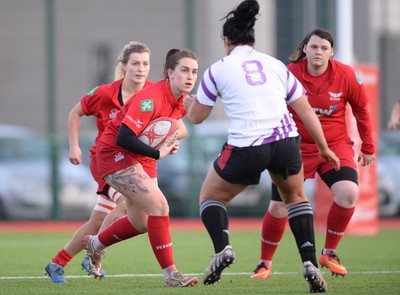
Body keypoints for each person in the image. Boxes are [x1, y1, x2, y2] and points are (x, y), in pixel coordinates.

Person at [184, 1, 339, 293]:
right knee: (295, 198)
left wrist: (189, 104)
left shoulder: (218, 69)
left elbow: (198, 118)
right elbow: (305, 110)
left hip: (247, 147)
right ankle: (309, 263)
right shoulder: (276, 65)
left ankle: (223, 249)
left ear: (227, 40)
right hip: (286, 142)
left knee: (210, 197)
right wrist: (324, 147)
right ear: (252, 39)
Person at [251, 28, 375, 280]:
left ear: (332, 53)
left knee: (348, 193)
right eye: (314, 47)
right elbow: (267, 107)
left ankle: (329, 252)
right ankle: (264, 263)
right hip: (294, 146)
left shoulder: (346, 75)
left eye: (324, 48)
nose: (318, 52)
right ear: (305, 49)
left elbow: (362, 110)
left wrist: (368, 146)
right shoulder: (289, 74)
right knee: (278, 207)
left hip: (335, 145)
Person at [82, 48, 199, 287]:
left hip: (141, 157)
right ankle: (171, 274)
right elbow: (123, 137)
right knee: (160, 206)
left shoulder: (181, 100)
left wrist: (168, 141)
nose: (190, 76)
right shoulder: (151, 98)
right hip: (115, 154)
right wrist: (158, 152)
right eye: (184, 70)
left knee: (141, 222)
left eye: (194, 71)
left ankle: (95, 244)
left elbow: (170, 128)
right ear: (169, 72)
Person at [45, 41, 153, 283]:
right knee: (129, 202)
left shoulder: (152, 94)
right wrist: (73, 145)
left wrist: (170, 140)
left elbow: (176, 126)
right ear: (124, 66)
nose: (141, 68)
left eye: (145, 64)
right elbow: (76, 112)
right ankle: (95, 251)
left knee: (97, 221)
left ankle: (57, 263)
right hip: (106, 164)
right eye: (135, 63)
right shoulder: (105, 93)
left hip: (134, 165)